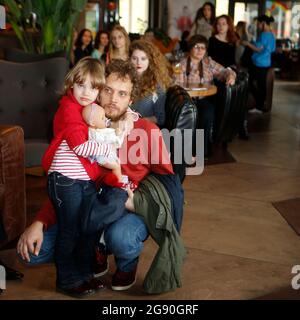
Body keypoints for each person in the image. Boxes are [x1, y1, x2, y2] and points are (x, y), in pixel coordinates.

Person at [17, 59, 175, 292]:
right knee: (31, 254)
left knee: (119, 237)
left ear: (131, 100)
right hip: (87, 206)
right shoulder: (84, 127)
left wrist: (139, 204)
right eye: (108, 90)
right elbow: (68, 180)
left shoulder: (147, 131)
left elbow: (169, 183)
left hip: (127, 206)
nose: (113, 99)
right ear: (98, 91)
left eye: (122, 94)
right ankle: (91, 257)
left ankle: (126, 261)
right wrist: (39, 222)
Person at [41, 57, 137, 297]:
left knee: (85, 230)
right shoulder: (69, 110)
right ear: (71, 84)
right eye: (81, 85)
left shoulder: (92, 111)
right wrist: (111, 158)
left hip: (81, 181)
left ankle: (84, 276)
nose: (86, 92)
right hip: (65, 180)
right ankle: (67, 280)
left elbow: (101, 134)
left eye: (93, 87)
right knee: (70, 229)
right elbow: (81, 147)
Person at [174, 35, 236, 157]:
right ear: (190, 48)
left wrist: (231, 76)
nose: (200, 50)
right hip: (186, 100)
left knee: (208, 113)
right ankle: (185, 151)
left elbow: (225, 71)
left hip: (203, 99)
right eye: (197, 47)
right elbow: (177, 85)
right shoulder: (181, 64)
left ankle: (202, 150)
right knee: (188, 114)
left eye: (203, 48)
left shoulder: (208, 62)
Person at [129, 39, 172, 127]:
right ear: (129, 59)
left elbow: (160, 118)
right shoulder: (125, 79)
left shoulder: (157, 85)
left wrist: (136, 122)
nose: (138, 62)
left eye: (143, 59)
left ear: (150, 61)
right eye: (134, 58)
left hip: (143, 129)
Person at [243, 15, 276, 113]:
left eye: (258, 24)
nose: (258, 26)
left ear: (263, 23)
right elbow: (272, 49)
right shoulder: (271, 35)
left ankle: (259, 106)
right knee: (260, 85)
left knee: (250, 82)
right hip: (266, 63)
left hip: (259, 63)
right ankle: (260, 106)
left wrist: (247, 44)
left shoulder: (264, 34)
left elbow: (258, 49)